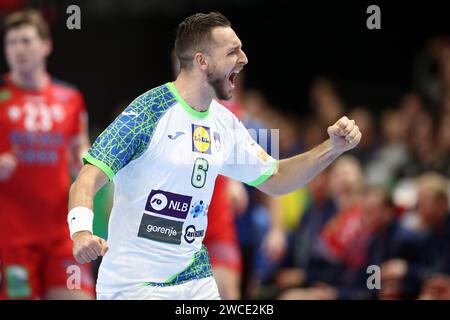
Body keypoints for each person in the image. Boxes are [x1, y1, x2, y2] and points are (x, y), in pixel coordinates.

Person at [68, 11, 362, 300]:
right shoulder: (147, 112)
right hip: (134, 285)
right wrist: (81, 231)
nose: (244, 59)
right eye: (233, 51)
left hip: (194, 278)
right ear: (202, 61)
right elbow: (87, 177)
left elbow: (274, 178)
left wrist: (332, 148)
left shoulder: (226, 122)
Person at [0, 10, 93, 299]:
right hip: (12, 238)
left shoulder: (71, 98)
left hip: (62, 234)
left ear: (46, 45)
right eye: (11, 42)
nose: (18, 49)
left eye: (26, 41)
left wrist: (84, 162)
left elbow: (82, 149)